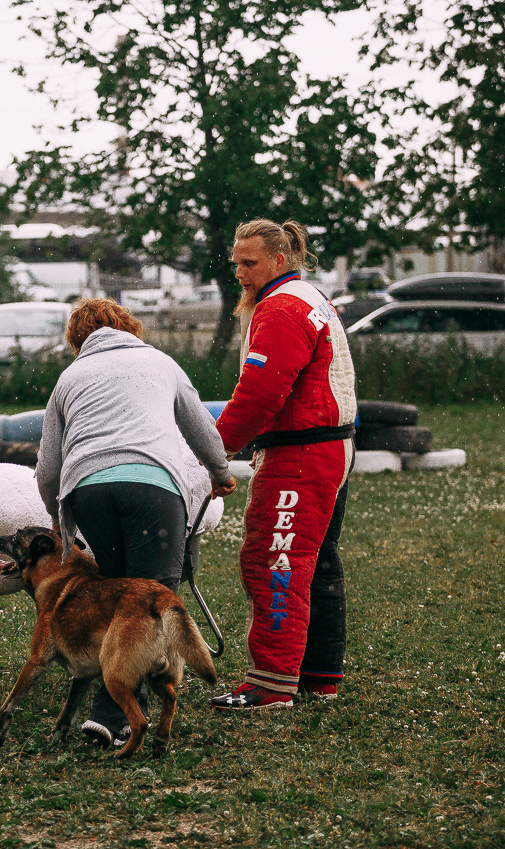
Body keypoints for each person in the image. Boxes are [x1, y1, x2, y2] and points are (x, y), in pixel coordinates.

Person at [35, 298, 237, 746]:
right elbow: (201, 427)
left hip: (87, 490)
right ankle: (116, 713)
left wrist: (57, 518)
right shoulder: (159, 362)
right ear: (129, 327)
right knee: (149, 597)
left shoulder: (69, 378)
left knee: (120, 592)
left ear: (77, 341)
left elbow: (48, 469)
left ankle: (123, 703)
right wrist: (220, 473)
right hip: (152, 488)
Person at [210, 218, 356, 711]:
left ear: (279, 260)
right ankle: (318, 674)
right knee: (318, 564)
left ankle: (271, 684)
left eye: (249, 263)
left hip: (300, 451)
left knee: (275, 559)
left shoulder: (281, 309)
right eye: (236, 264)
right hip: (329, 446)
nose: (241, 274)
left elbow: (258, 396)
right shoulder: (310, 297)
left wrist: (213, 455)